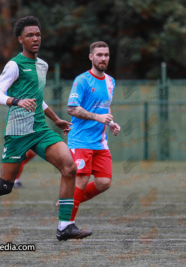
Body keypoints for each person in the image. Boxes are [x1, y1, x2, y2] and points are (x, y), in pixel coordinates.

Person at [0, 16, 92, 241]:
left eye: (38, 34)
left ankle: (65, 226)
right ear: (20, 39)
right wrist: (16, 101)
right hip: (17, 132)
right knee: (5, 185)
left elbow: (37, 98)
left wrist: (55, 119)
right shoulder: (14, 65)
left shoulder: (42, 65)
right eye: (29, 35)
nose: (35, 38)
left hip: (40, 129)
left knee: (69, 167)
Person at [67, 41, 121, 221]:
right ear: (91, 57)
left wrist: (110, 122)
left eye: (106, 55)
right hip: (81, 140)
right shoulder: (82, 80)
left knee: (104, 183)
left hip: (100, 142)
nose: (103, 58)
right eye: (99, 55)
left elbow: (106, 108)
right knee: (81, 181)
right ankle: (66, 224)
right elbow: (72, 109)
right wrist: (98, 118)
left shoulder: (111, 81)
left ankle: (69, 202)